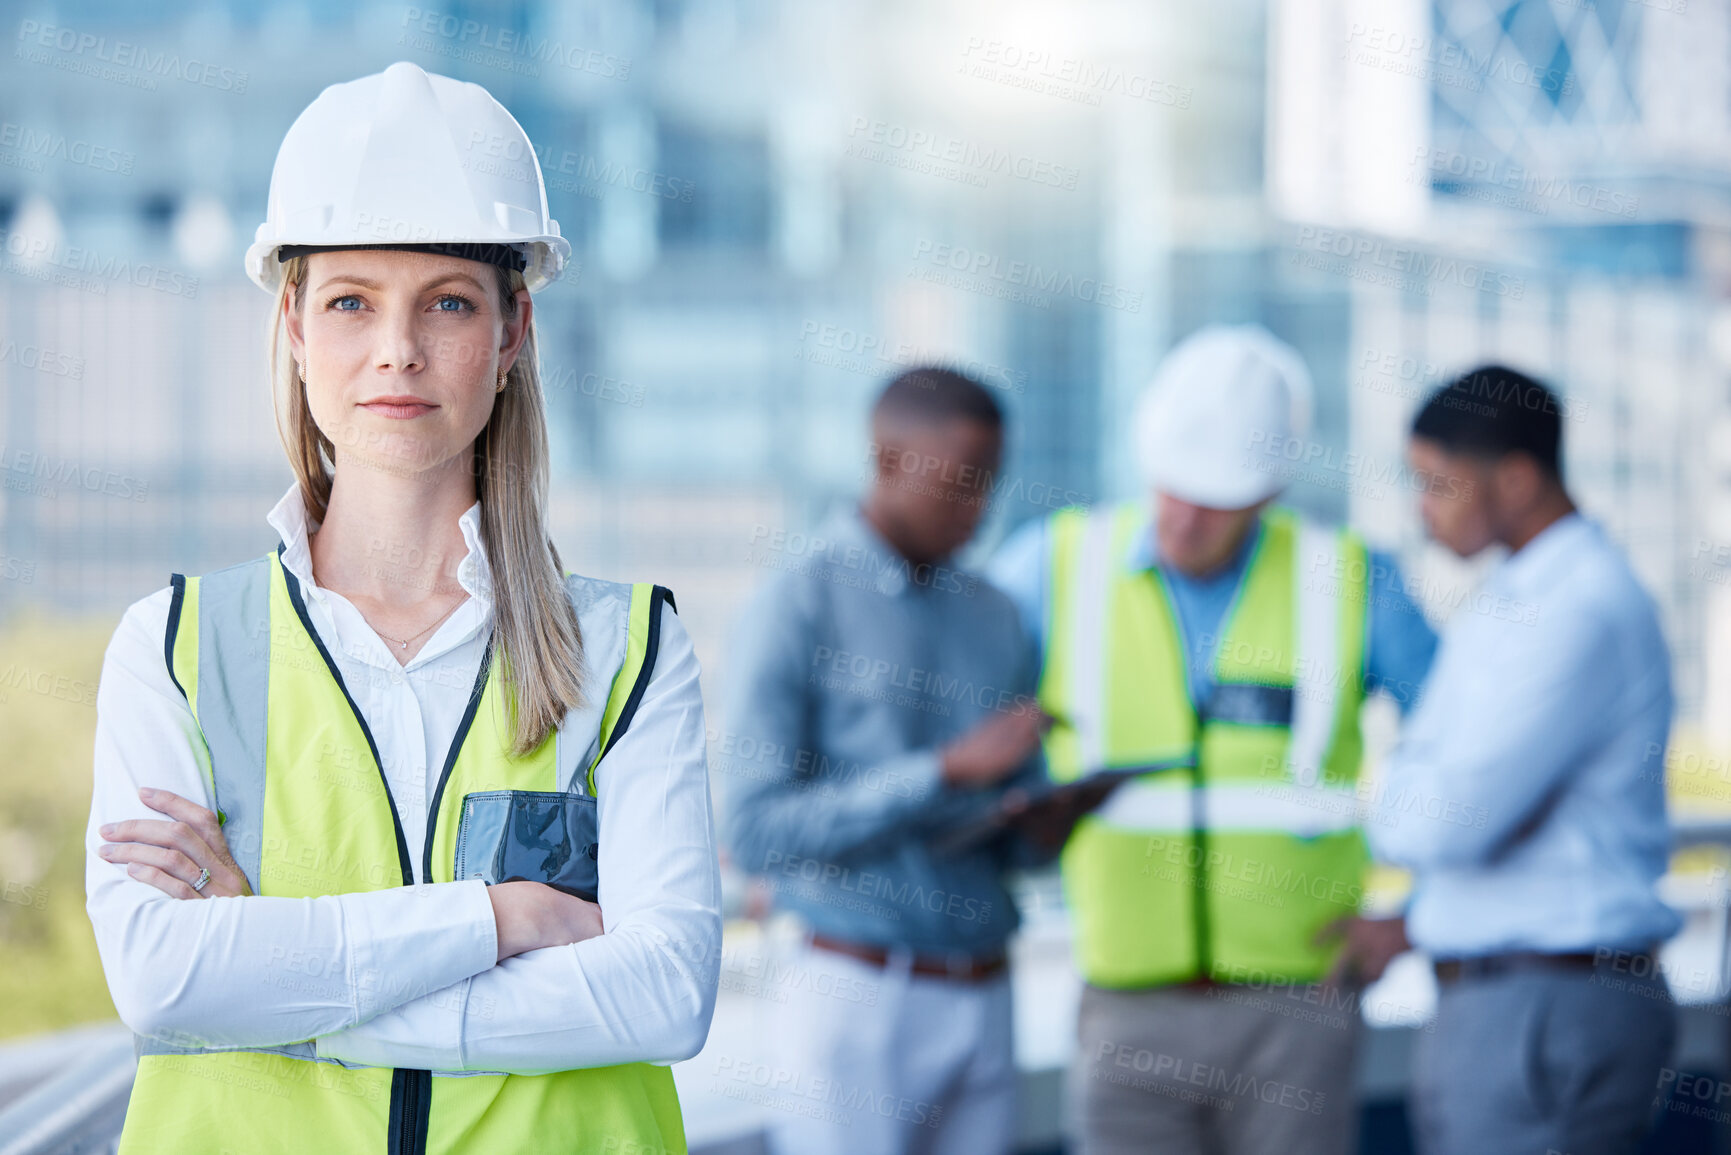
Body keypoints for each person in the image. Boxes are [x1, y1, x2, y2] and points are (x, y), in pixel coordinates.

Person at [84, 62, 721, 1155]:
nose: (398, 351)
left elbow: (665, 992)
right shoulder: (178, 648)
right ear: (292, 323)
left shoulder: (627, 649)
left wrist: (288, 991)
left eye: (449, 303)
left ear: (514, 330)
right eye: (350, 302)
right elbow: (164, 980)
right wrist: (500, 919)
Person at [988, 324, 1439, 1155]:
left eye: (1216, 499)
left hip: (1297, 1012)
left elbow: (1472, 750)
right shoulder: (1050, 565)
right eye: (1172, 488)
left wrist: (1415, 918)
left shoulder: (1347, 577)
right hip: (1126, 1006)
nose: (1184, 518)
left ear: (1267, 492)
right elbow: (954, 721)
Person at [720, 368, 1052, 1155]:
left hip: (986, 986)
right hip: (852, 992)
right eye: (958, 483)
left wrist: (1040, 817)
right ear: (889, 459)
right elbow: (755, 829)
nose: (978, 508)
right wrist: (942, 771)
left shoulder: (998, 614)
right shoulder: (797, 600)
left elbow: (1013, 831)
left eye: (991, 482)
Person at [1371, 365, 1681, 1155]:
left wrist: (1409, 783)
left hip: (1545, 1007)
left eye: (1438, 482)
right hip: (1511, 998)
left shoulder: (1573, 608)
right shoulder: (1517, 597)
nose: (1421, 507)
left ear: (1513, 478)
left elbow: (1444, 824)